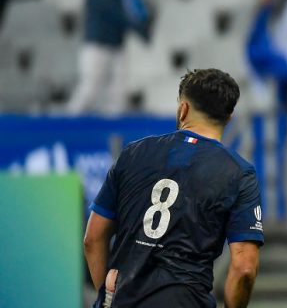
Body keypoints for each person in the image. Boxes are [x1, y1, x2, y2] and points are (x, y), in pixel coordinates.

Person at [83, 69, 264, 307]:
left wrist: (107, 298)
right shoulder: (239, 172)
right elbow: (245, 267)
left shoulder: (133, 153)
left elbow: (93, 239)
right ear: (228, 119)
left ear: (183, 109)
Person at [67, 0, 151, 114]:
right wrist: (139, 28)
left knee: (118, 94)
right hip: (97, 41)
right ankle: (65, 128)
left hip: (116, 41)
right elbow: (112, 9)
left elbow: (132, 4)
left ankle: (114, 135)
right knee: (89, 88)